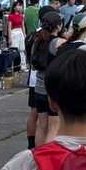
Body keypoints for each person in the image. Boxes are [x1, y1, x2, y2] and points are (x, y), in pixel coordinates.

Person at [26, 9, 62, 149]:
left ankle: (38, 154)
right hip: (52, 90)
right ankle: (48, 157)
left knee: (41, 125)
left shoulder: (37, 40)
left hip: (38, 88)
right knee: (53, 126)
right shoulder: (57, 42)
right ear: (58, 26)